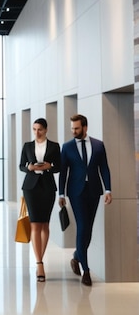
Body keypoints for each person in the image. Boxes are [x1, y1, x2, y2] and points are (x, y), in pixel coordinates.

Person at [58, 114, 112, 286]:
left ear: (85, 127)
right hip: (75, 192)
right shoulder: (67, 147)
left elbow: (104, 167)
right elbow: (63, 172)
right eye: (72, 128)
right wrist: (61, 194)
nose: (73, 131)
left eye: (77, 128)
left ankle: (76, 256)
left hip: (94, 190)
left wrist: (108, 189)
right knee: (82, 226)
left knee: (88, 228)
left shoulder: (98, 145)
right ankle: (86, 270)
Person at [18, 118, 61, 282]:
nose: (37, 132)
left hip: (48, 187)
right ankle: (39, 263)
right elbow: (21, 165)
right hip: (31, 187)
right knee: (35, 224)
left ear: (46, 130)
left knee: (45, 224)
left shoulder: (54, 146)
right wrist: (29, 167)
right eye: (34, 129)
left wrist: (49, 166)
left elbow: (59, 166)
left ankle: (40, 258)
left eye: (40, 129)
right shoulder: (27, 146)